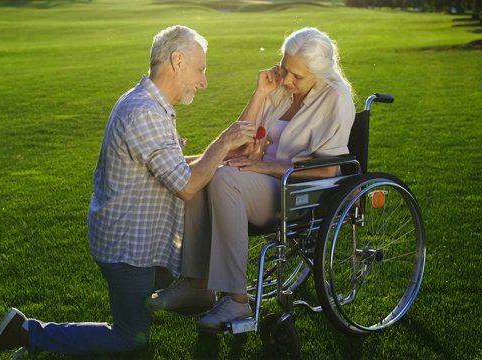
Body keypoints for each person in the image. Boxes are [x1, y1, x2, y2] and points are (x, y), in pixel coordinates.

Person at [0, 25, 257, 359]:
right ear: (178, 61)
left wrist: (222, 156)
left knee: (180, 267)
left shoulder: (148, 104)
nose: (204, 81)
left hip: (140, 243)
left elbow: (171, 163)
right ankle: (25, 331)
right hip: (128, 250)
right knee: (131, 337)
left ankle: (197, 296)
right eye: (200, 70)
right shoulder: (142, 112)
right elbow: (186, 185)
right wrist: (224, 141)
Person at [147, 27, 356, 332]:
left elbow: (327, 171)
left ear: (320, 73)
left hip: (300, 190)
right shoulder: (281, 89)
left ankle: (237, 301)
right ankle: (197, 284)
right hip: (265, 181)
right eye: (285, 69)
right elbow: (242, 139)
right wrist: (260, 93)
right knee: (206, 174)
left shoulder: (335, 97)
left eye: (297, 76)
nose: (287, 81)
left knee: (223, 179)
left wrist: (267, 167)